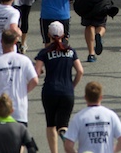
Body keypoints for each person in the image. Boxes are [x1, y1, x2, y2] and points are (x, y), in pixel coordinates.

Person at [35, 20, 84, 153]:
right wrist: (72, 85)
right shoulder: (70, 51)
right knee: (63, 124)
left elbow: (37, 72)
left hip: (49, 91)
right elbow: (80, 71)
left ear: (48, 34)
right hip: (67, 91)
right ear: (63, 35)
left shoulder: (44, 52)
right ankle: (65, 137)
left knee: (51, 123)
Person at [0, 29, 38, 125]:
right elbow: (34, 80)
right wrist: (23, 90)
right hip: (19, 110)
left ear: (1, 42)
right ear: (15, 42)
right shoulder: (24, 60)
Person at [63, 81, 121, 153]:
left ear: (85, 97)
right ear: (101, 97)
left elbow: (68, 146)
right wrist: (112, 151)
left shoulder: (79, 117)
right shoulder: (111, 115)